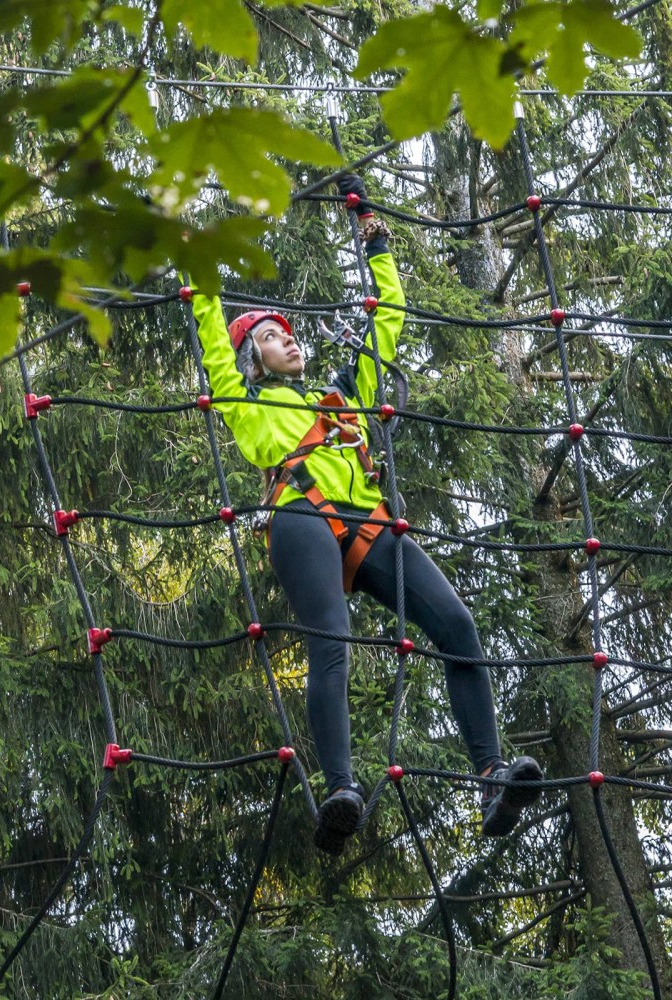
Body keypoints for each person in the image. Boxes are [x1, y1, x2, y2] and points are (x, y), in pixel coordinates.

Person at [189, 174, 543, 855]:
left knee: (456, 623)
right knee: (334, 638)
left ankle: (492, 776)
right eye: (269, 337)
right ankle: (342, 788)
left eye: (287, 334)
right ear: (249, 360)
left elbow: (388, 320)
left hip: (372, 522)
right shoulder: (243, 400)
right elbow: (208, 324)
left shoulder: (343, 397)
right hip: (300, 516)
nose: (287, 341)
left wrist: (372, 238)